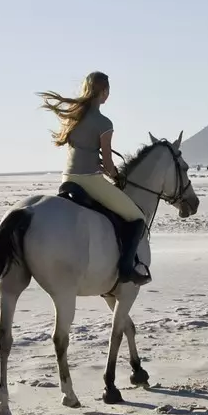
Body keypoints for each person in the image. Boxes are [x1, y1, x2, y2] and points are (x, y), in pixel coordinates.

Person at [42, 71, 149, 283]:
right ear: (104, 92)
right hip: (90, 181)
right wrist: (116, 175)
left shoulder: (73, 116)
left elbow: (82, 149)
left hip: (67, 179)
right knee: (138, 218)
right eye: (108, 91)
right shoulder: (104, 122)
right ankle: (126, 268)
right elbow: (108, 163)